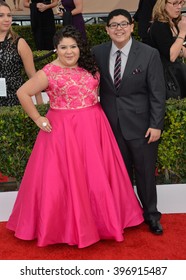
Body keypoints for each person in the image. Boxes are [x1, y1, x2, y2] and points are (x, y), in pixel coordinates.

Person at [6, 25, 144, 248]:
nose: (69, 51)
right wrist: (38, 119)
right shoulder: (49, 72)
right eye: (63, 47)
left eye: (73, 46)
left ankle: (103, 222)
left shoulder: (89, 66)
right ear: (56, 49)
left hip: (94, 127)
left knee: (96, 177)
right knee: (64, 180)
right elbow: (23, 92)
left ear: (80, 48)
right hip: (63, 132)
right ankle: (67, 227)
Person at [92, 9, 166, 235]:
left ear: (132, 26)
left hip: (143, 128)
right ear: (107, 30)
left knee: (145, 175)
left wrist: (156, 125)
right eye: (113, 25)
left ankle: (151, 215)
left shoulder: (149, 53)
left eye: (123, 24)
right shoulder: (98, 53)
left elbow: (157, 93)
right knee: (118, 176)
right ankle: (123, 217)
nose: (119, 29)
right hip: (110, 127)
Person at [0, 0, 43, 106]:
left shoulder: (19, 43)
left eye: (9, 15)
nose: (7, 19)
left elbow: (33, 76)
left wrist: (41, 105)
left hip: (15, 100)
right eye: (1, 15)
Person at [147, 0, 186, 99]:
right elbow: (172, 56)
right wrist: (182, 33)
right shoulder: (159, 25)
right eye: (174, 3)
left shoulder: (173, 23)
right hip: (167, 79)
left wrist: (180, 50)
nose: (179, 7)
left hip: (177, 73)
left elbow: (180, 51)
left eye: (181, 3)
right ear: (163, 5)